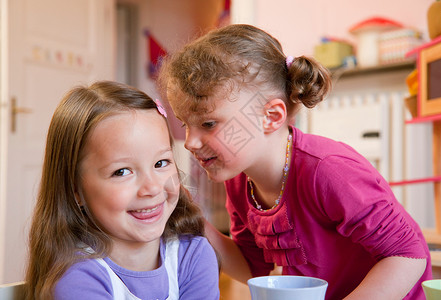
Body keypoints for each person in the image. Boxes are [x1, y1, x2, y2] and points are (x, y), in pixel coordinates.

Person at [158, 24, 432, 299]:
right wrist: (194, 219)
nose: (191, 142)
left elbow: (408, 254)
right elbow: (253, 269)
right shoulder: (241, 183)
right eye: (185, 124)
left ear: (272, 117)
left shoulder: (328, 170)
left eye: (208, 123)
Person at [24, 81, 220, 300]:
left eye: (161, 163)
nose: (152, 188)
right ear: (75, 190)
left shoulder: (192, 255)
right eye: (122, 172)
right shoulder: (78, 279)